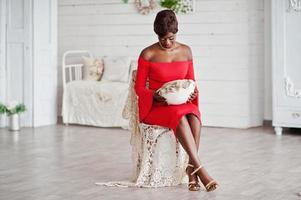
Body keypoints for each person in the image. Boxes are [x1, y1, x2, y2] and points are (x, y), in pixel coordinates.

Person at [134, 9, 218, 192]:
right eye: (162, 38)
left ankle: (191, 168)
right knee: (179, 116)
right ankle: (200, 171)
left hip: (180, 102)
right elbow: (139, 88)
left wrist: (192, 93)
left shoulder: (186, 51)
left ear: (176, 32)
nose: (167, 42)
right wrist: (153, 94)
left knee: (194, 117)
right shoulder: (147, 54)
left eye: (171, 37)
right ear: (157, 34)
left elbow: (191, 82)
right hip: (157, 106)